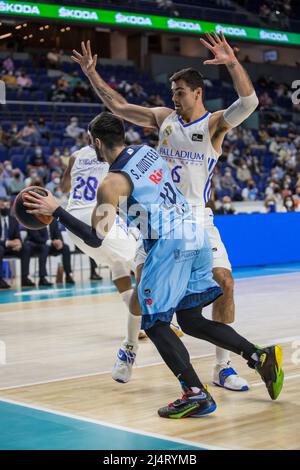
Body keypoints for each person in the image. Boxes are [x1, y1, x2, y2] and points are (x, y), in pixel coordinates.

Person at [24, 112, 284, 418]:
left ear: (96, 143)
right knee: (189, 320)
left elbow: (96, 239)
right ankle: (258, 356)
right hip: (194, 233)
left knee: (155, 322)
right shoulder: (147, 152)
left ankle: (195, 392)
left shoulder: (111, 183)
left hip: (168, 243)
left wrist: (57, 211)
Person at [70, 34, 259, 391]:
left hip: (198, 218)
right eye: (172, 92)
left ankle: (223, 366)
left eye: (180, 92)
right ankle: (128, 348)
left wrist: (232, 62)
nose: (174, 98)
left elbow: (249, 102)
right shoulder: (164, 119)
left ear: (197, 92)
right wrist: (92, 74)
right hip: (159, 215)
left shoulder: (214, 124)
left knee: (225, 284)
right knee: (142, 291)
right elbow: (120, 107)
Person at [60, 138, 147, 375]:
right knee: (143, 260)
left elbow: (65, 187)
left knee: (116, 264)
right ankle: (158, 317)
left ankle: (134, 320)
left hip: (73, 221)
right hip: (96, 213)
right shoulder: (113, 154)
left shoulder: (76, 155)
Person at [0, 198, 30, 289]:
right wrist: (7, 242)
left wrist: (18, 243)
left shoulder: (13, 220)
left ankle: (24, 278)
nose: (5, 208)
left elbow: (17, 236)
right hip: (1, 246)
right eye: (2, 206)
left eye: (7, 206)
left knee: (25, 248)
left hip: (11, 248)